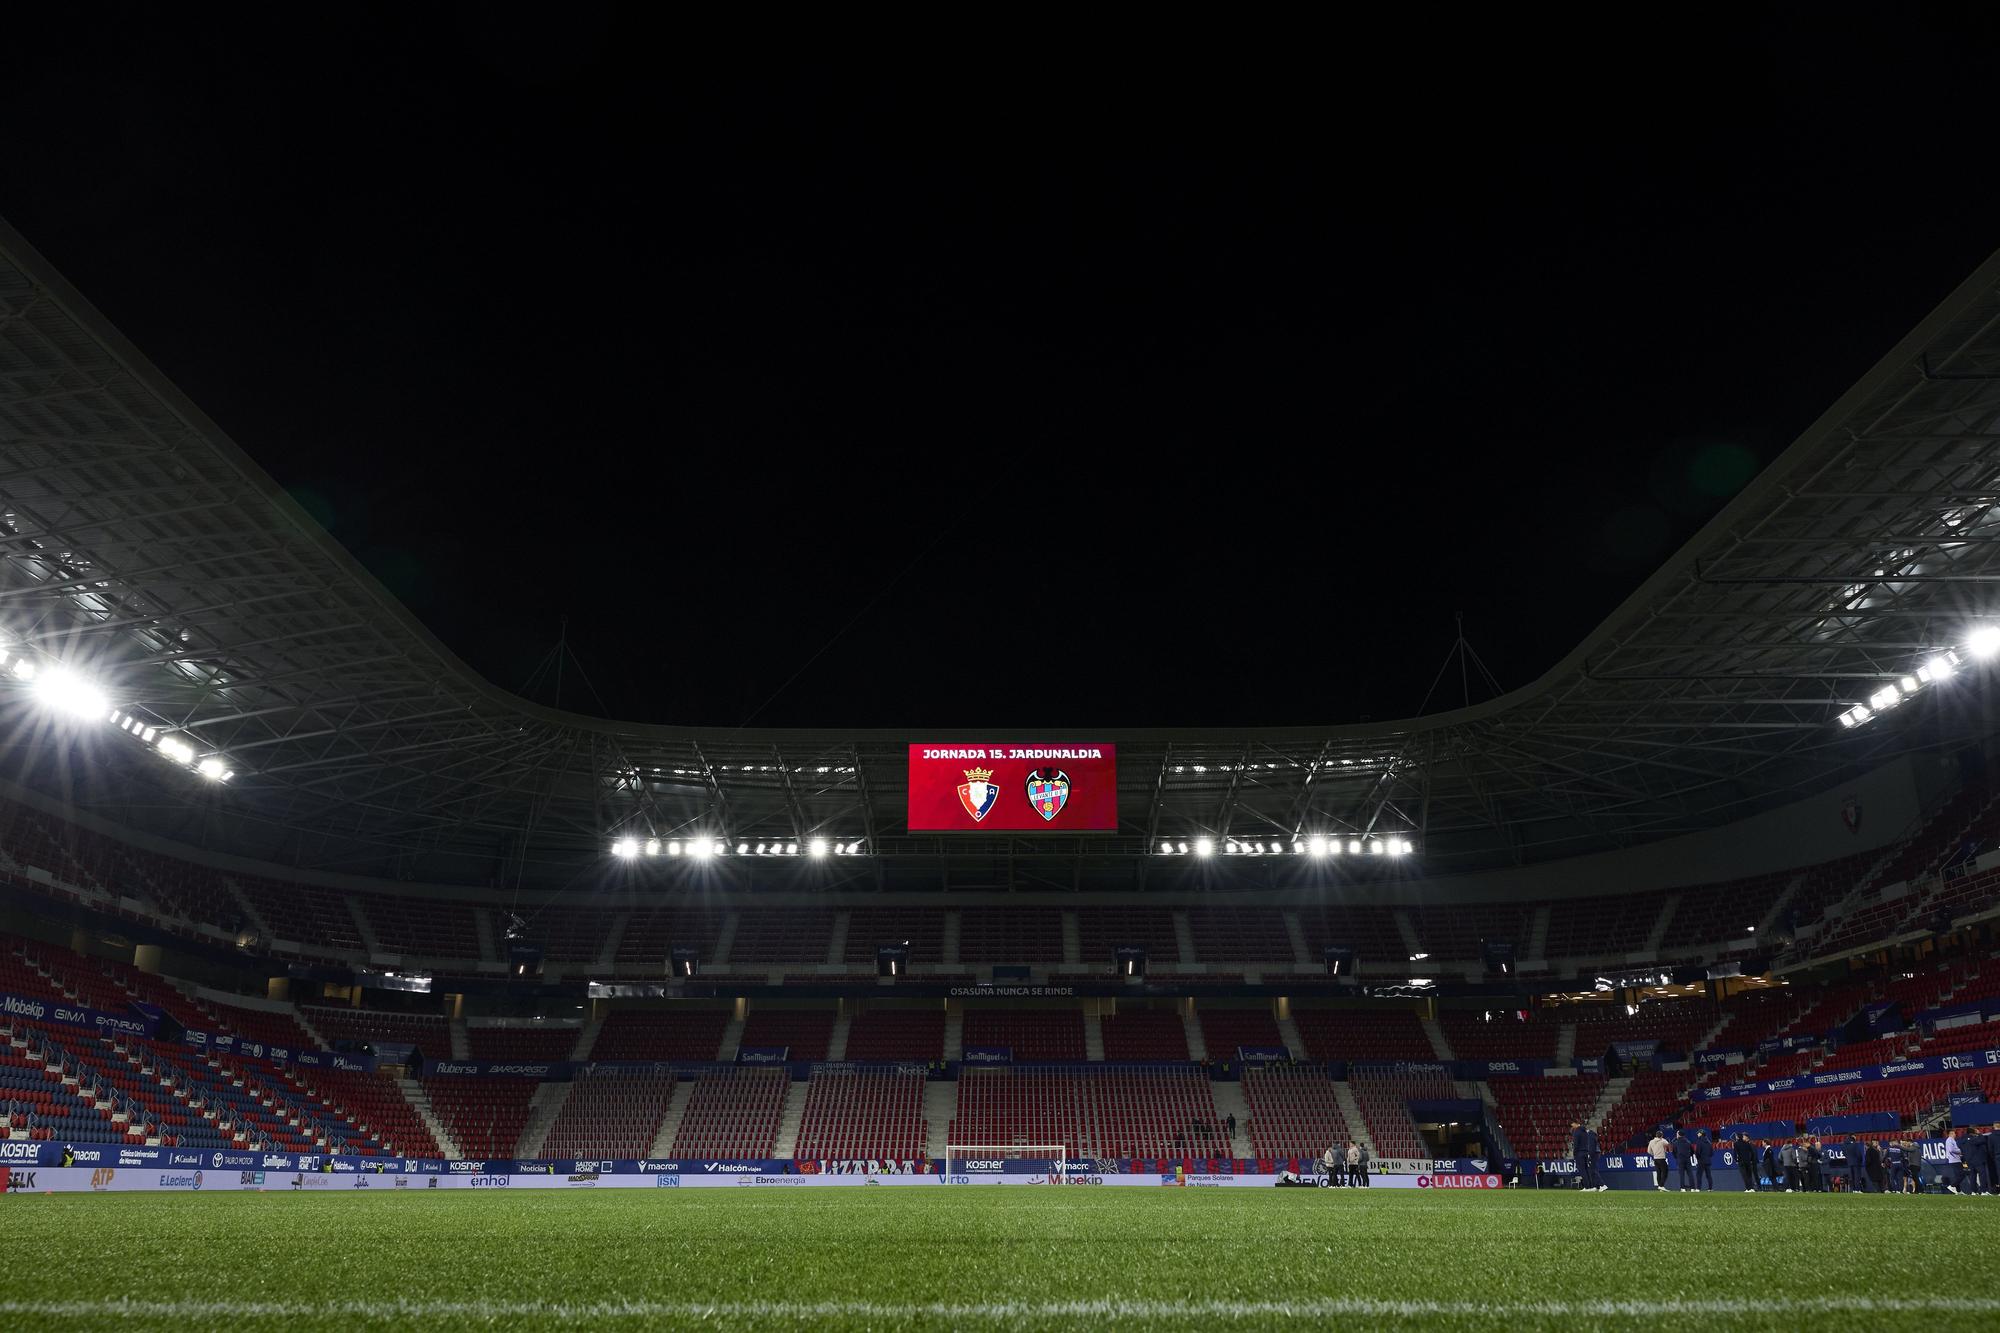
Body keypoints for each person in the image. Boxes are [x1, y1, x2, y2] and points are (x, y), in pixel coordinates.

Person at [1965, 1123, 1991, 1196]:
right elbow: (1983, 1140)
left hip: (1969, 1161)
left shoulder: (1963, 1140)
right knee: (1982, 1175)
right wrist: (1980, 1134)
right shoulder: (1974, 1139)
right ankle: (1983, 1191)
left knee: (1972, 1176)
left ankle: (1973, 1191)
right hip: (1977, 1161)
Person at [1945, 1128, 1964, 1194]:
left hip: (1955, 1160)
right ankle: (1952, 1186)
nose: (1955, 1134)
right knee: (1961, 1175)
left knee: (1957, 1176)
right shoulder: (1950, 1140)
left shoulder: (1951, 1140)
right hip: (1955, 1161)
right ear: (1951, 1134)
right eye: (1954, 1133)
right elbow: (1951, 1150)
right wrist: (1960, 1151)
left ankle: (1958, 1191)